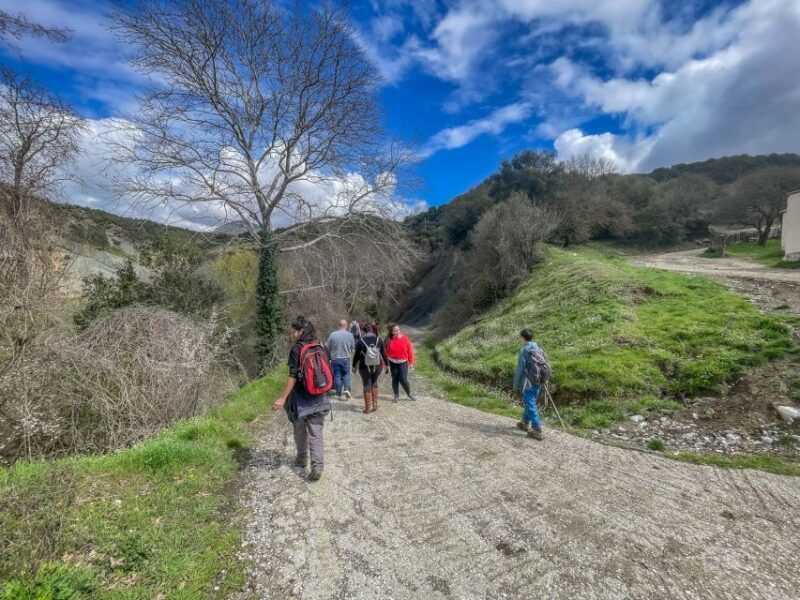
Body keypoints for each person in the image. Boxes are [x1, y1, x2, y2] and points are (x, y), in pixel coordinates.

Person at [273, 316, 332, 481]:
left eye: (294, 331)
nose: (292, 334)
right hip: (320, 397)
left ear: (302, 331)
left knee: (299, 430)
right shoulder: (321, 345)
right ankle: (317, 467)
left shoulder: (296, 349)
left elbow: (292, 376)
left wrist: (282, 398)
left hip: (301, 400)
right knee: (316, 433)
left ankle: (301, 459)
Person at [513, 328, 544, 440]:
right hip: (539, 380)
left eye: (520, 337)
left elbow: (520, 370)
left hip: (529, 381)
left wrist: (516, 385)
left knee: (529, 402)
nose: (519, 339)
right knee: (530, 401)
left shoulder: (524, 350)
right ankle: (525, 423)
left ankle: (537, 429)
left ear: (522, 338)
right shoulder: (538, 348)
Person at [352, 321, 389, 413]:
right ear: (372, 330)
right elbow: (384, 354)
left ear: (363, 331)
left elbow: (356, 356)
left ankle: (368, 407)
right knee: (374, 382)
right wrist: (387, 365)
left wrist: (353, 366)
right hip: (377, 366)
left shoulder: (361, 341)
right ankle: (375, 404)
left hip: (364, 367)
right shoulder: (378, 340)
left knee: (366, 384)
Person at [384, 323, 416, 402]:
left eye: (398, 330)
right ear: (392, 332)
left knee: (403, 379)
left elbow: (409, 351)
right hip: (392, 363)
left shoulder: (405, 338)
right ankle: (396, 395)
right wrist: (385, 365)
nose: (397, 332)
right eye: (395, 331)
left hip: (403, 363)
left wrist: (411, 362)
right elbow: (384, 354)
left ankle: (409, 393)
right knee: (395, 379)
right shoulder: (388, 340)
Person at [326, 319, 355, 400]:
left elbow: (327, 347)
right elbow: (353, 348)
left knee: (337, 375)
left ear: (339, 326)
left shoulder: (332, 335)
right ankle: (346, 389)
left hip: (335, 358)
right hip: (346, 358)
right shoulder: (350, 335)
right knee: (346, 374)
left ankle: (338, 392)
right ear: (346, 326)